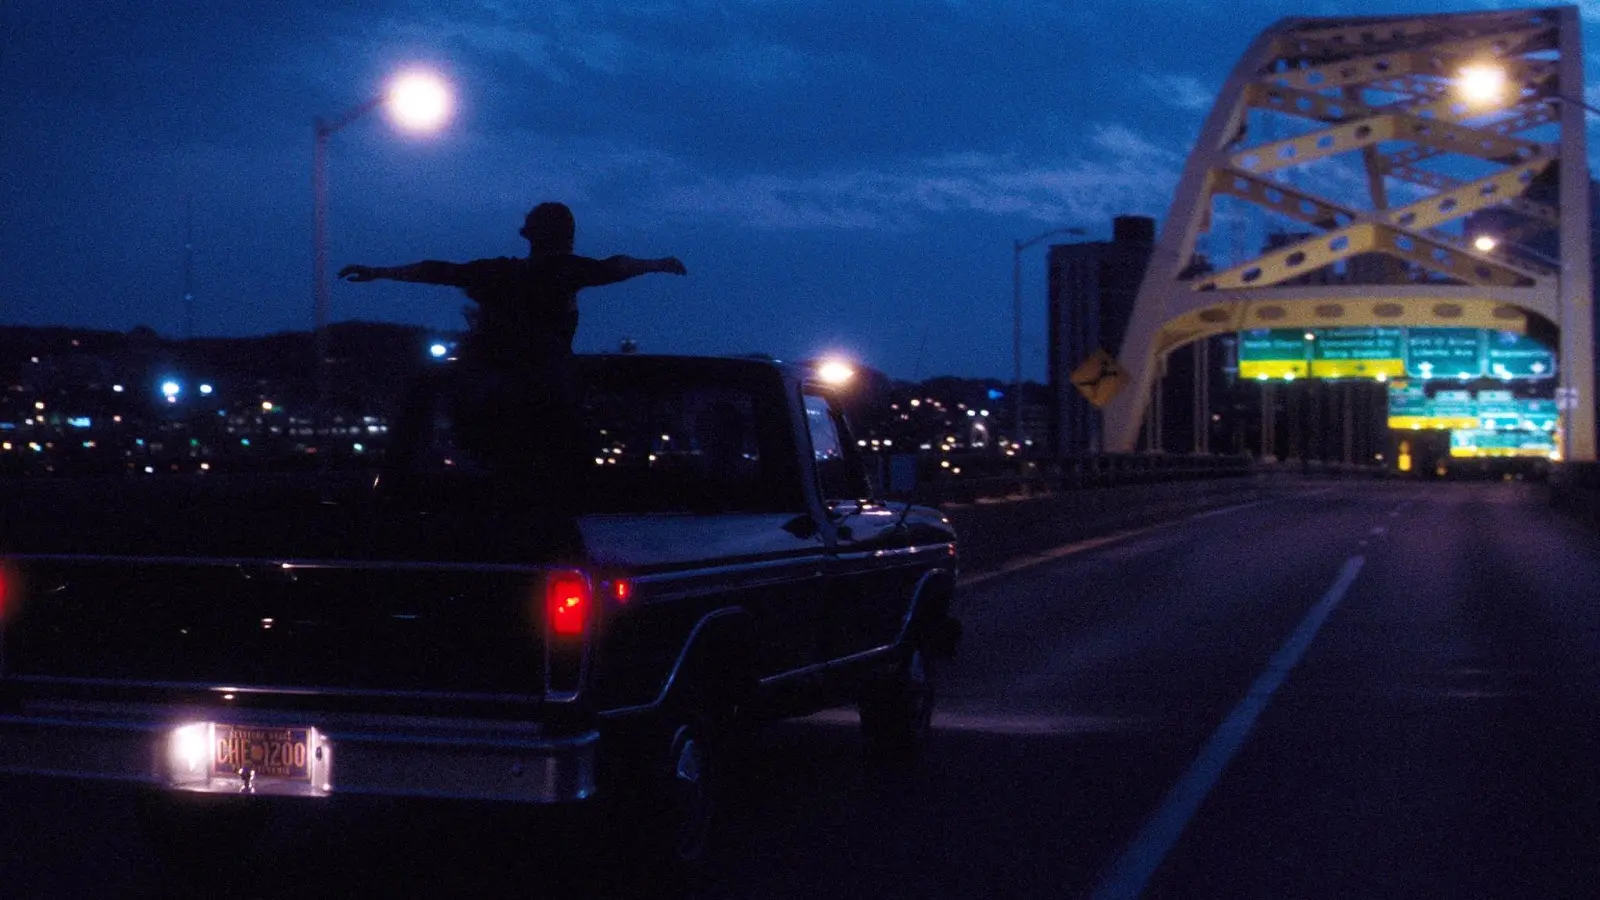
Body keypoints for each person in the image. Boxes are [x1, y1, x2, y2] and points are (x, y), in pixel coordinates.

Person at [340, 203, 686, 497]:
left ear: (529, 235)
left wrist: (379, 272)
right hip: (546, 417)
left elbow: (440, 271)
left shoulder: (500, 275)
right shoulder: (562, 274)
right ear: (567, 238)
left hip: (488, 418)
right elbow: (614, 266)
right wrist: (654, 264)